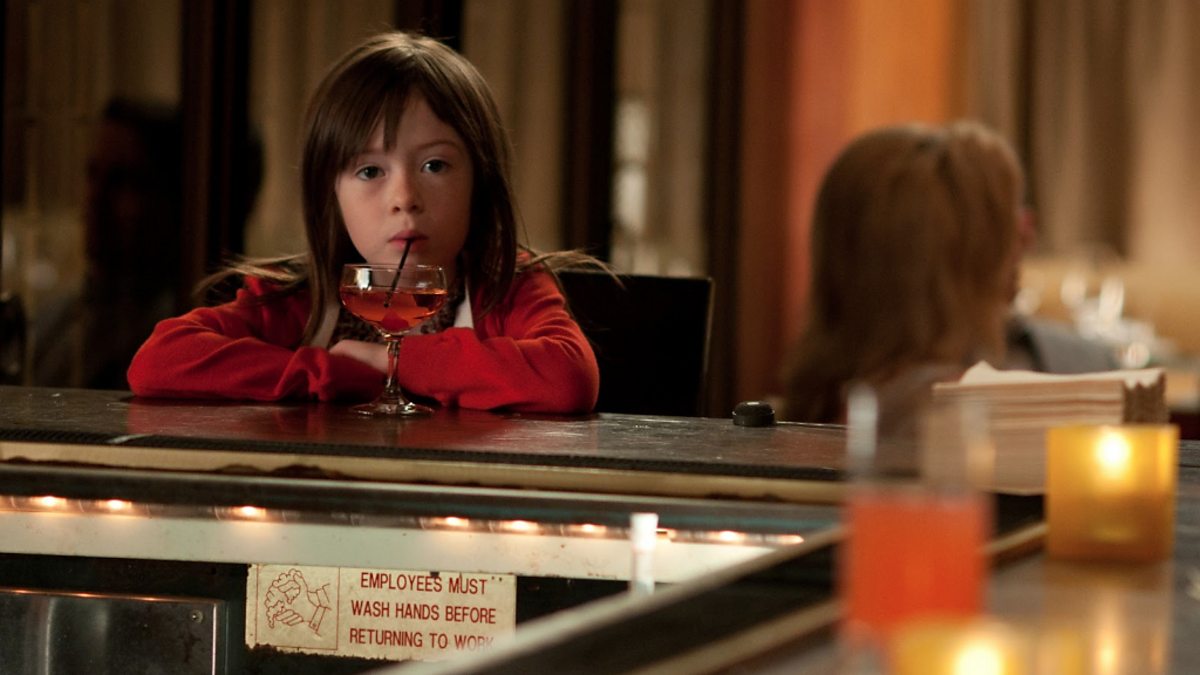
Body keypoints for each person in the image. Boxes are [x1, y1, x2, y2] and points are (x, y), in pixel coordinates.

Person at [127, 31, 600, 414]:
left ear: (481, 179)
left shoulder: (509, 287)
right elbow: (160, 360)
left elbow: (568, 377)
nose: (405, 199)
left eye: (435, 165)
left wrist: (388, 360)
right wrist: (332, 374)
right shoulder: (300, 298)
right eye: (370, 171)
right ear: (330, 193)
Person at [779, 121, 1026, 436]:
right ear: (958, 254)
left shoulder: (821, 403)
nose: (1024, 237)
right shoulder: (959, 416)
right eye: (1004, 225)